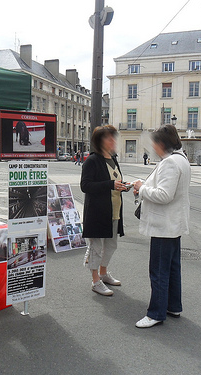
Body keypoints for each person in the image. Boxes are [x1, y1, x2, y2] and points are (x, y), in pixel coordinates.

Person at [133, 125, 191, 328]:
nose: (153, 147)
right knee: (173, 268)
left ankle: (156, 313)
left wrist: (141, 189)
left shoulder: (170, 163)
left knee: (158, 270)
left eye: (154, 143)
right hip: (173, 224)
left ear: (162, 144)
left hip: (163, 225)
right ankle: (173, 305)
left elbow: (164, 195)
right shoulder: (181, 159)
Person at [81, 125, 129, 296]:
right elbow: (85, 186)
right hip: (97, 212)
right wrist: (110, 185)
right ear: (100, 141)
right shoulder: (92, 160)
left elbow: (114, 180)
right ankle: (95, 281)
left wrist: (123, 186)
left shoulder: (112, 158)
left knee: (111, 245)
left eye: (113, 137)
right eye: (109, 138)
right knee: (96, 247)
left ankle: (103, 273)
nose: (113, 141)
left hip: (113, 210)